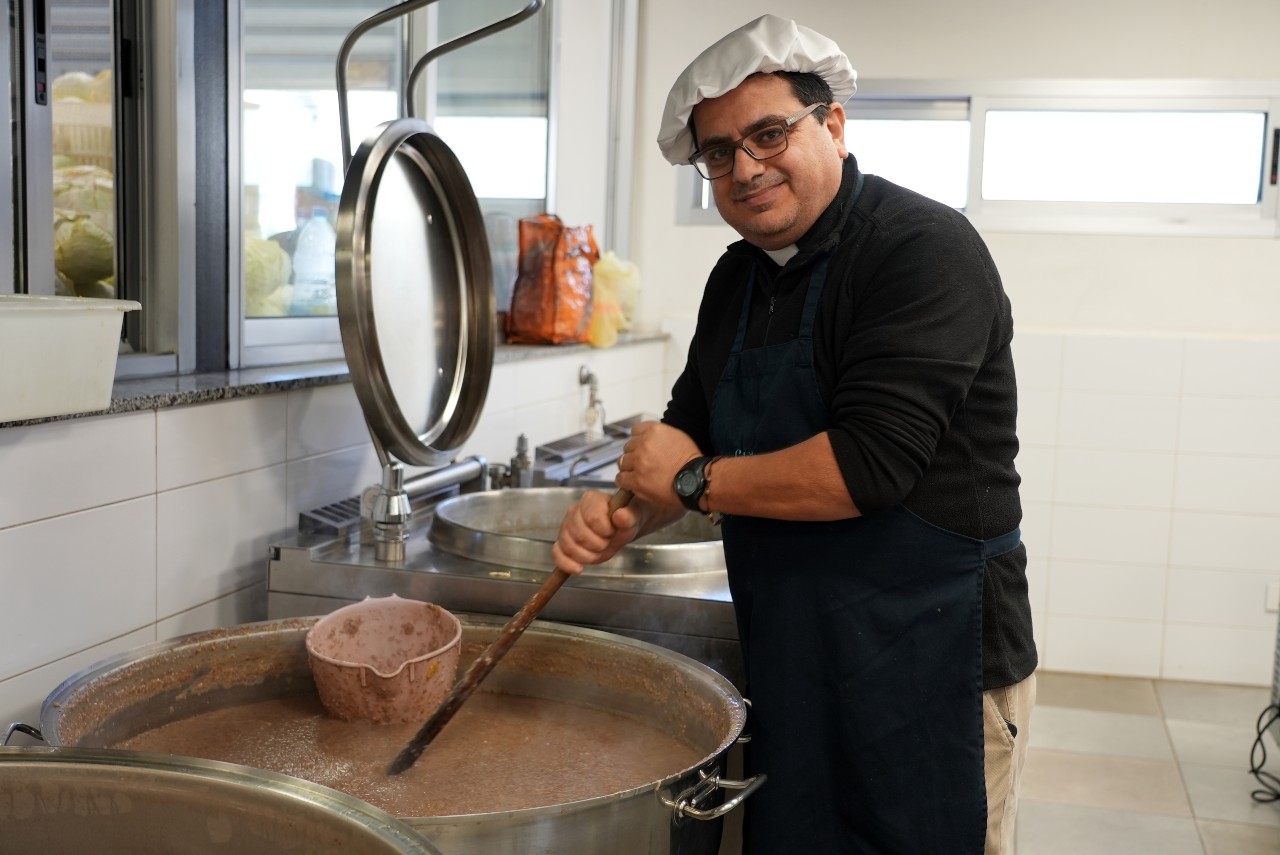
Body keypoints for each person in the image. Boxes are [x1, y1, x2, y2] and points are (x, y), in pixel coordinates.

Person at [553, 14, 1037, 854]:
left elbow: (868, 466)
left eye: (769, 133)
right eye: (718, 153)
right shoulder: (737, 278)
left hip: (937, 660)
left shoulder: (920, 248)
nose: (745, 168)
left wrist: (692, 481)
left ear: (835, 126)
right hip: (799, 657)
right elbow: (688, 431)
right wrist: (627, 512)